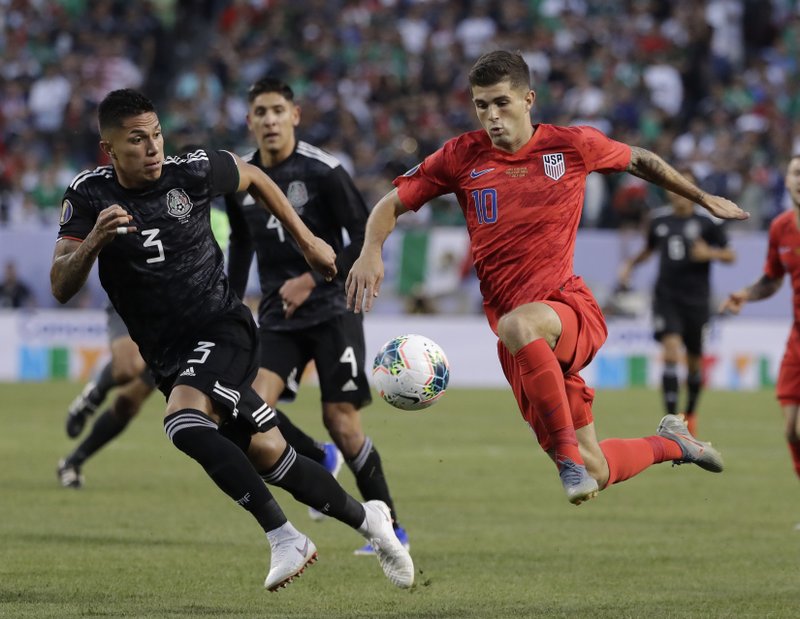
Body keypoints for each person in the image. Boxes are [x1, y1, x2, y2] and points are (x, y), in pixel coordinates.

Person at [346, 51, 749, 506]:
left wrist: (701, 197)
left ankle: (567, 463)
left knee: (521, 327)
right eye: (482, 106)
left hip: (568, 308)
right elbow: (391, 203)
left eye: (501, 102)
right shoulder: (461, 156)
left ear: (528, 99)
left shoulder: (570, 145)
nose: (492, 116)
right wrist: (371, 250)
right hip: (519, 345)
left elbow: (640, 159)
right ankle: (674, 442)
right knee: (597, 469)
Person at [51, 88, 413, 590]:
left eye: (156, 134)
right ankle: (372, 521)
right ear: (109, 148)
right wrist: (92, 242)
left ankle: (285, 537)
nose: (153, 147)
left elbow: (255, 177)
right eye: (138, 140)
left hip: (223, 328)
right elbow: (60, 285)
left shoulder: (191, 170)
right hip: (168, 355)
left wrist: (307, 242)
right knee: (270, 455)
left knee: (183, 421)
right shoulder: (87, 195)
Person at [225, 77, 409, 555]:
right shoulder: (242, 177)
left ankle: (393, 526)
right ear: (249, 121)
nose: (269, 120)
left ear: (295, 115)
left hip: (331, 308)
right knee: (245, 409)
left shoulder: (324, 171)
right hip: (278, 316)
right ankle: (317, 457)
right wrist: (228, 297)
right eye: (260, 112)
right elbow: (242, 242)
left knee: (341, 421)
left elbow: (363, 240)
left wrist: (310, 278)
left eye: (277, 111)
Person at [618, 169, 736, 435]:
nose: (679, 193)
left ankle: (691, 413)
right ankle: (672, 420)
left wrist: (710, 253)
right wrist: (630, 266)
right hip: (666, 297)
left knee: (694, 361)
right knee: (671, 351)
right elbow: (648, 250)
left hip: (696, 300)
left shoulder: (708, 222)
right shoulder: (659, 220)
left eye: (686, 187)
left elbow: (731, 256)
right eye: (674, 187)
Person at [720, 154, 800, 529]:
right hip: (797, 338)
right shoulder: (782, 228)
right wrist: (745, 295)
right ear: (785, 180)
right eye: (796, 172)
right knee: (791, 430)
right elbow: (772, 278)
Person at [57, 305, 155, 488]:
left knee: (128, 404)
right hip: (135, 295)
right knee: (129, 367)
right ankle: (94, 395)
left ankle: (72, 462)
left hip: (176, 310)